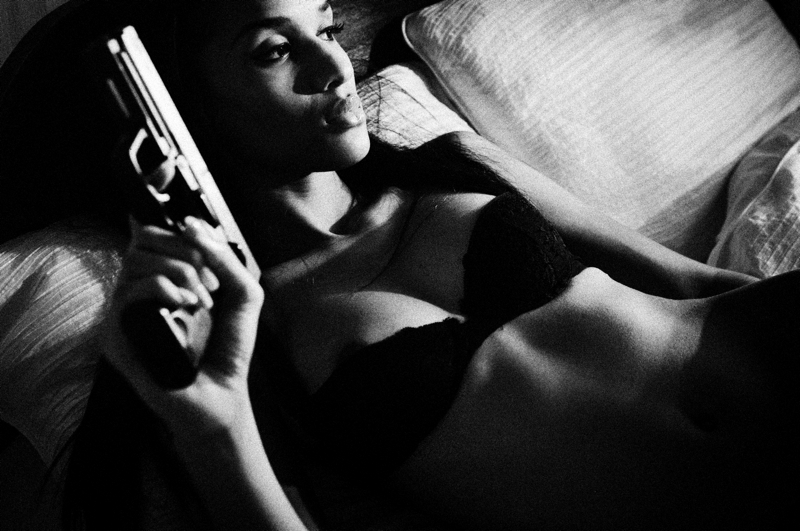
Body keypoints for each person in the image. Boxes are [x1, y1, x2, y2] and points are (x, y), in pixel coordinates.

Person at [61, 0, 799, 530]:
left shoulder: (453, 160)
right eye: (272, 50)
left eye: (326, 28)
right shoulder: (248, 334)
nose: (334, 66)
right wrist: (214, 427)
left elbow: (689, 282)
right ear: (181, 108)